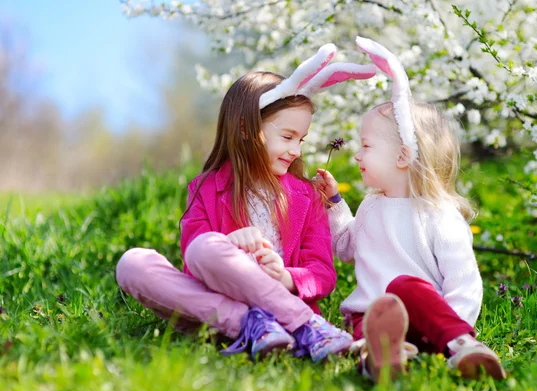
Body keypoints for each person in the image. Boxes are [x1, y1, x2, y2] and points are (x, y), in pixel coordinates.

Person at [115, 44, 377, 362]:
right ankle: (252, 324)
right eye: (287, 136)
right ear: (245, 128)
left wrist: (286, 278)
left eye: (301, 140)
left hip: (284, 306)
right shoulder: (205, 189)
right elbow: (194, 263)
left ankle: (305, 324)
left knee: (203, 247)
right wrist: (228, 244)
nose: (296, 150)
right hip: (225, 309)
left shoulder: (306, 196)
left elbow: (322, 272)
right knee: (136, 263)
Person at [314, 37, 507, 380]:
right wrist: (334, 204)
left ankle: (463, 348)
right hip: (368, 317)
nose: (357, 155)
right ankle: (383, 357)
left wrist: (454, 330)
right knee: (373, 316)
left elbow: (464, 283)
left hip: (427, 323)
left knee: (405, 286)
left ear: (403, 157)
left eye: (367, 146)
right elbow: (345, 248)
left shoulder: (439, 214)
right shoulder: (372, 206)